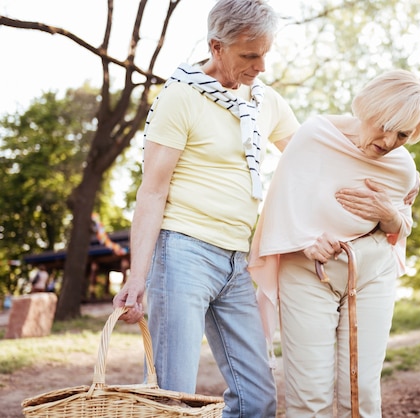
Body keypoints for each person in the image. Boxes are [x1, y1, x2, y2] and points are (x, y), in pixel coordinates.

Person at [112, 0, 300, 416]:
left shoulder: (263, 101)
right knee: (171, 398)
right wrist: (137, 275)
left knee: (258, 398)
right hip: (183, 253)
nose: (261, 66)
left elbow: (309, 156)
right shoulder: (180, 97)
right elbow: (152, 191)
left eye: (265, 53)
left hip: (237, 260)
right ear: (217, 47)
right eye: (250, 56)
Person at [249, 69, 420, 417]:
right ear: (368, 109)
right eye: (385, 126)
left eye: (403, 135)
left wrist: (389, 214)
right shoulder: (314, 137)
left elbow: (401, 227)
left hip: (372, 272)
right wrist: (306, 243)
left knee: (362, 392)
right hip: (307, 272)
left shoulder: (403, 166)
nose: (390, 141)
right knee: (309, 395)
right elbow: (281, 206)